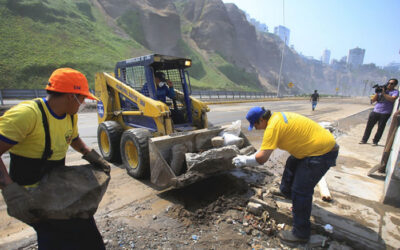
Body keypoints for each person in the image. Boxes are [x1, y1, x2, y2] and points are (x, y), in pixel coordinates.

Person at [0, 68, 108, 249]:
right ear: (69, 96)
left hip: (55, 186)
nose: (83, 102)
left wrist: (92, 156)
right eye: (81, 98)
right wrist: (9, 190)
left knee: (84, 227)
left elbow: (72, 138)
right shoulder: (27, 115)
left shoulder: (69, 116)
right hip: (31, 195)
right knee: (55, 236)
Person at [232, 107, 339, 246]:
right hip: (314, 148)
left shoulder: (272, 127)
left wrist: (244, 160)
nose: (257, 129)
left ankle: (301, 234)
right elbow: (265, 148)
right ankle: (287, 192)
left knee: (301, 191)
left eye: (256, 125)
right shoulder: (277, 118)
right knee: (292, 162)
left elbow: (262, 158)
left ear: (261, 119)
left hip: (321, 154)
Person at [359, 78, 399, 146]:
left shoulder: (395, 92)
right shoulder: (382, 90)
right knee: (369, 126)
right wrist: (378, 93)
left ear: (395, 85)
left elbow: (392, 99)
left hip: (385, 113)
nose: (389, 85)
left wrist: (383, 93)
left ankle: (375, 141)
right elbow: (373, 100)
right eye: (388, 83)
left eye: (391, 83)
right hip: (375, 111)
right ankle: (364, 140)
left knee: (380, 128)